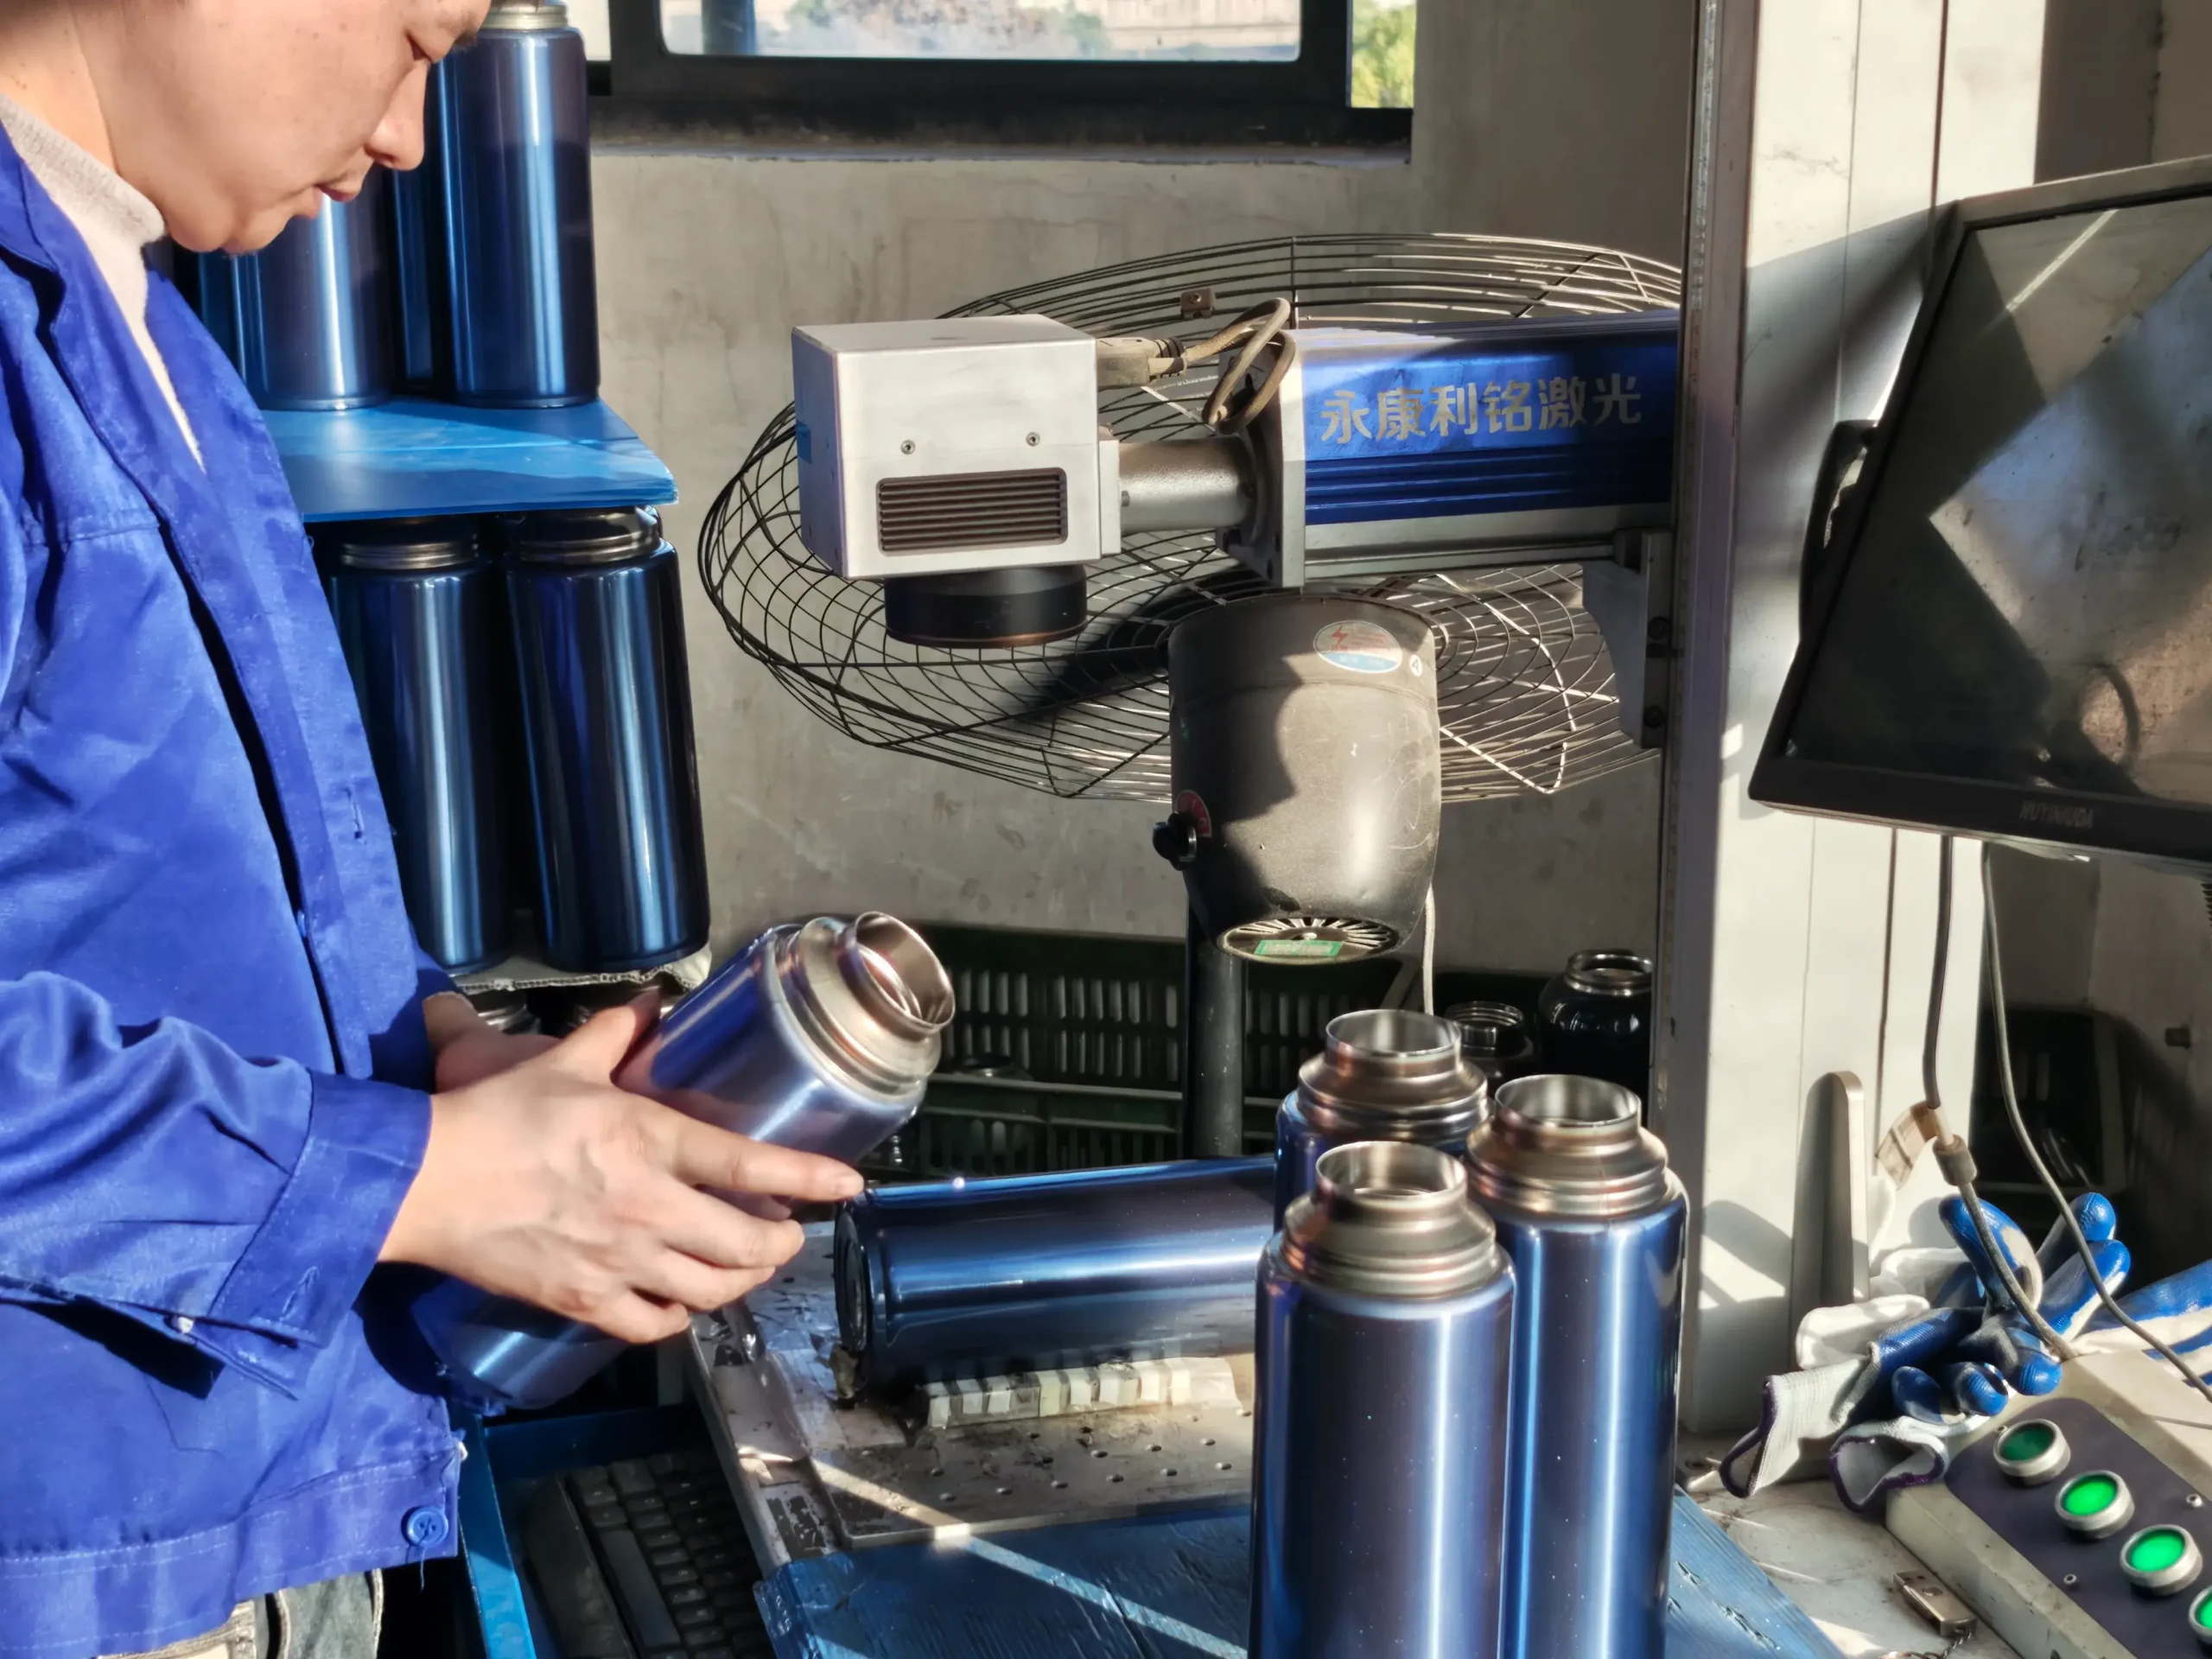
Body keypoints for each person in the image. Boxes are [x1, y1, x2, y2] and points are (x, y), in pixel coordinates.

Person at [0, 3, 863, 1655]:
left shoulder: (149, 325)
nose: (410, 134)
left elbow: (204, 859)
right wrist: (407, 1179)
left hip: (250, 1486)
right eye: (413, 33)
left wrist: (441, 1049)